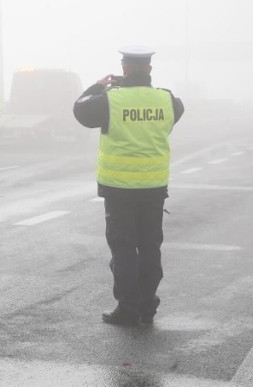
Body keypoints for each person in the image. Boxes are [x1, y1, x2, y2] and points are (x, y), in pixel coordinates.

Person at [73, 45, 184, 326]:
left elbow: (80, 109)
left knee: (123, 249)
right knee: (150, 247)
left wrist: (98, 86)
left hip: (120, 188)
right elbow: (177, 112)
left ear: (123, 69)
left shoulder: (111, 100)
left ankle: (128, 308)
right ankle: (148, 306)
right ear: (149, 69)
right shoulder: (167, 100)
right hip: (154, 187)